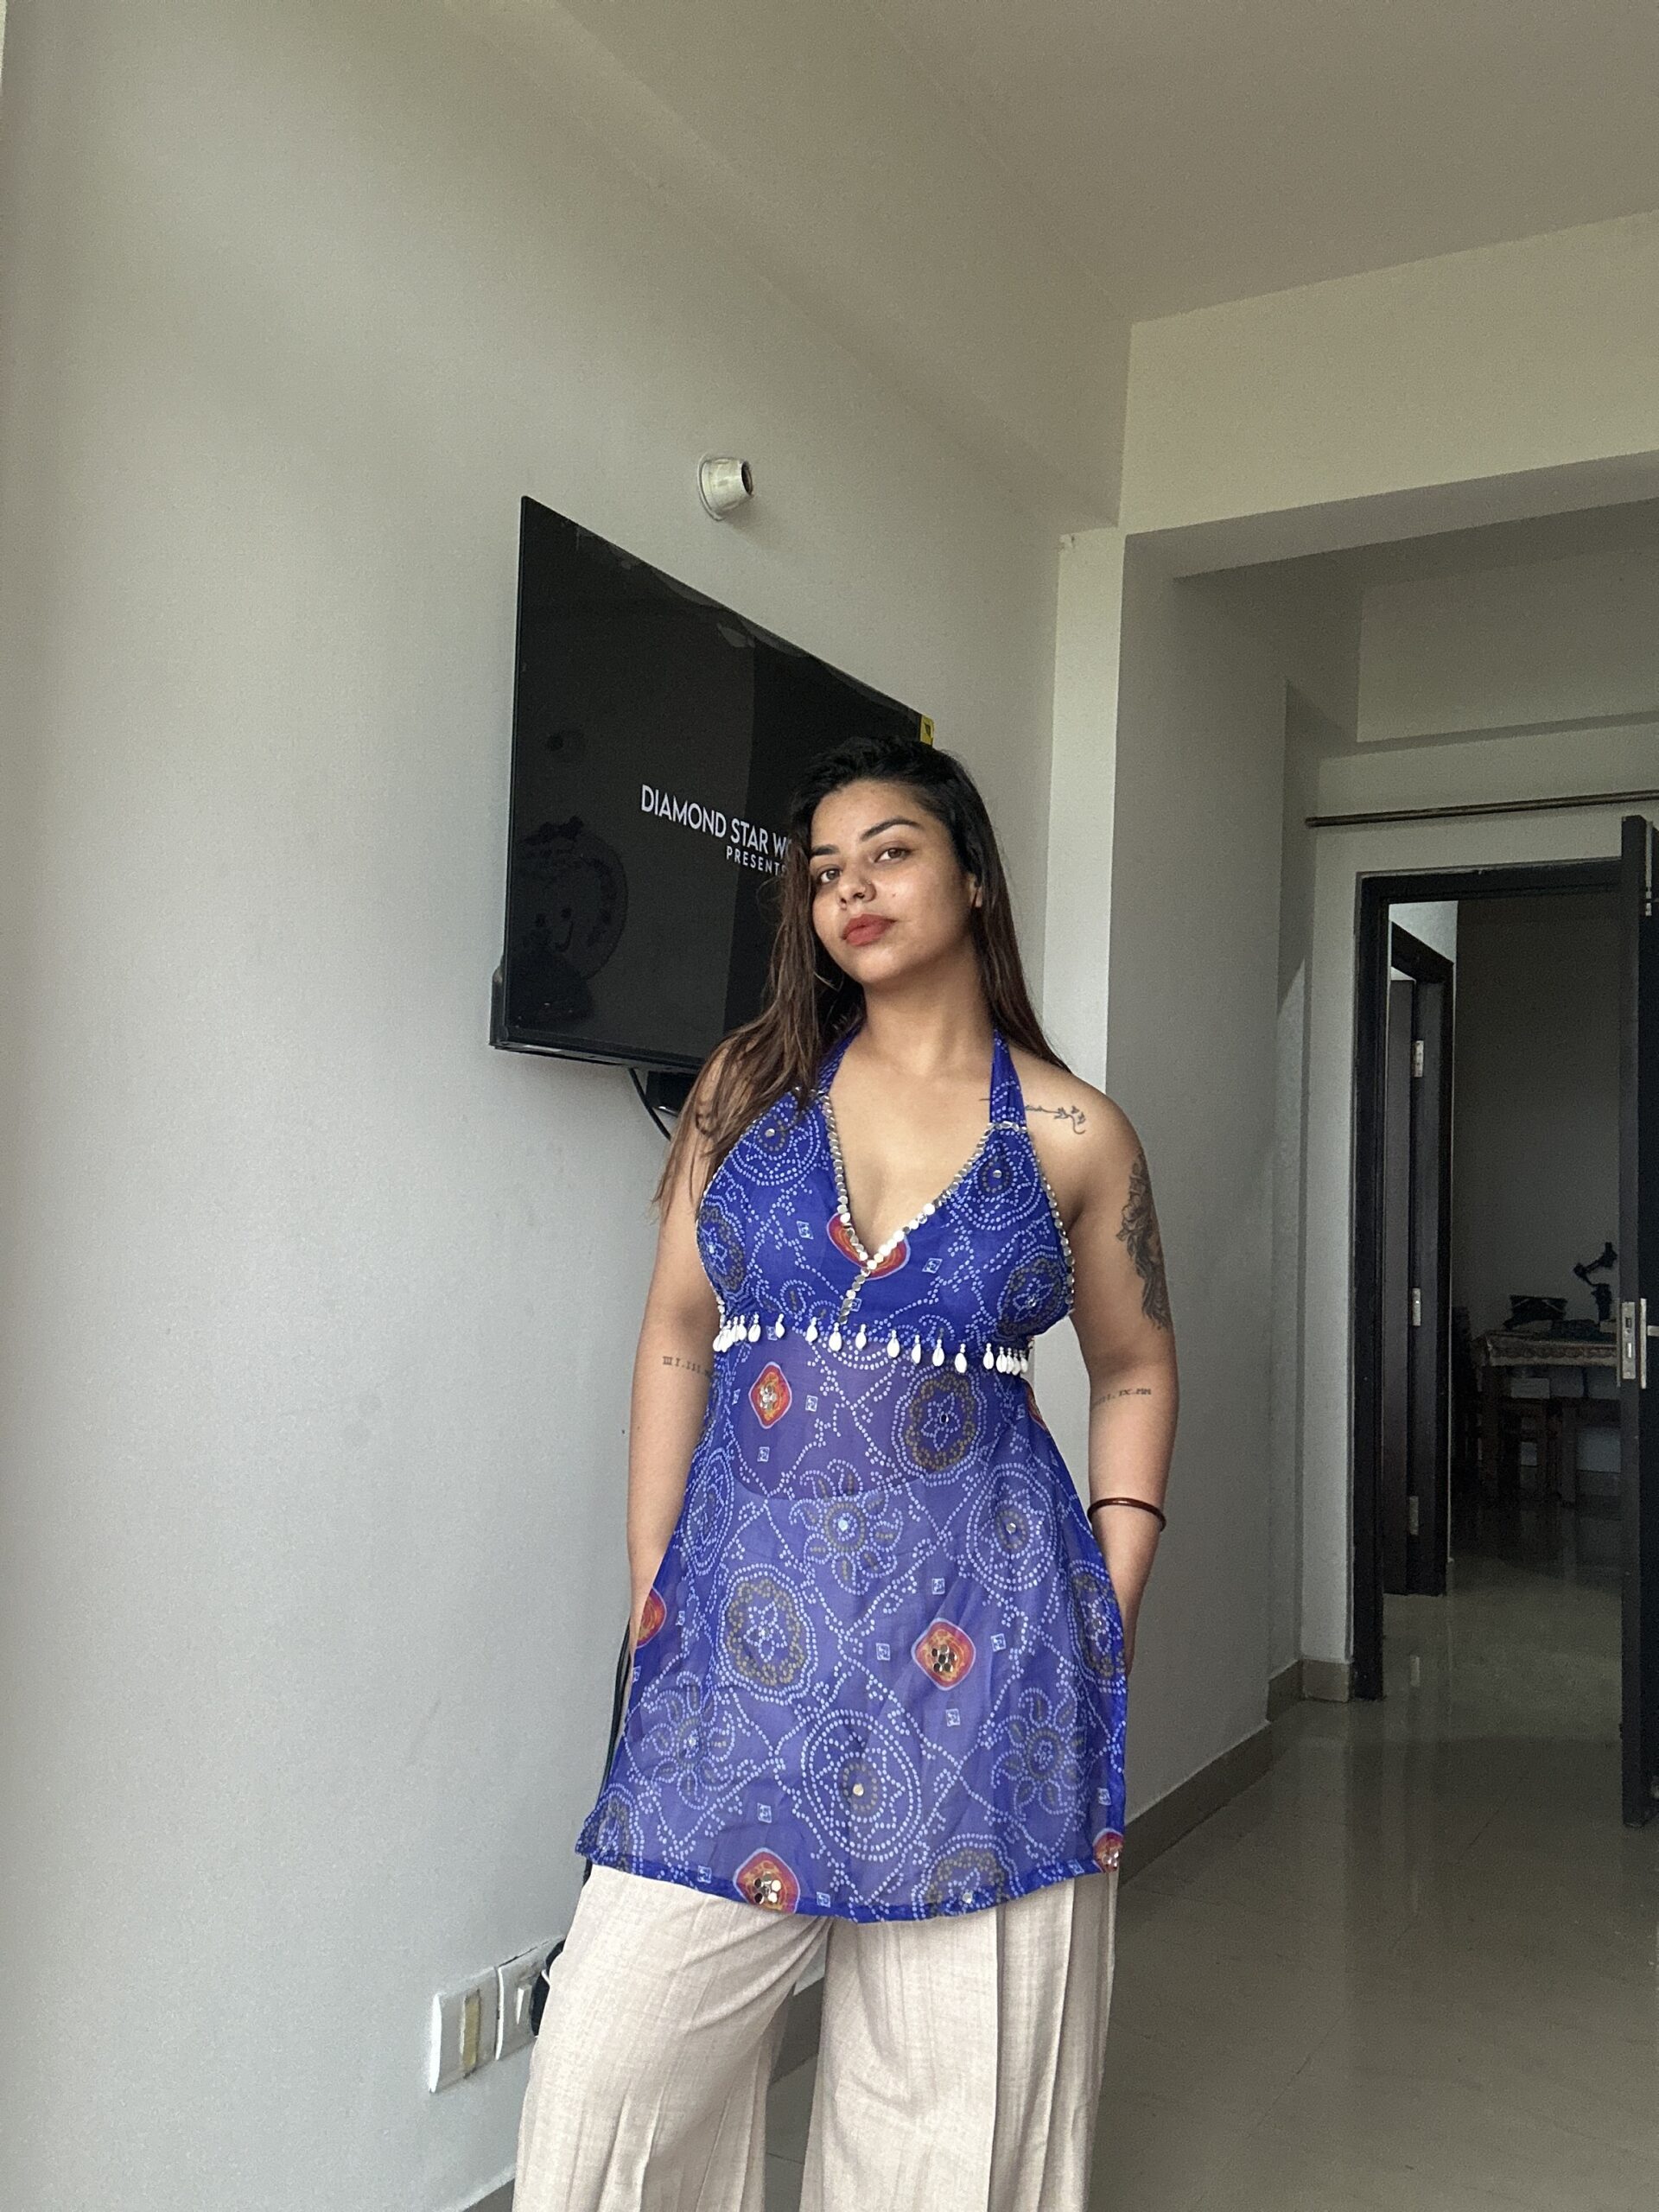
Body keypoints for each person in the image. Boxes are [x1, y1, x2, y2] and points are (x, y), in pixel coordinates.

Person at [514, 728, 1179, 2210]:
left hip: (986, 1657)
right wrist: (652, 1575)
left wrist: (1113, 1592)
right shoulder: (745, 1094)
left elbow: (1136, 1363)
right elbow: (675, 1334)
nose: (853, 892)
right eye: (824, 873)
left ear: (974, 877)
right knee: (607, 2070)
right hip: (737, 1654)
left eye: (891, 854)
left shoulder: (1074, 1130)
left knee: (948, 2122)